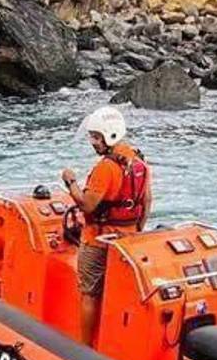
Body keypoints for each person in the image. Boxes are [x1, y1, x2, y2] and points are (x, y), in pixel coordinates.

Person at [60, 105, 151, 347]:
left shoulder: (106, 168)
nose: (92, 142)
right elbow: (146, 201)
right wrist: (137, 230)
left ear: (108, 136)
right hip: (127, 239)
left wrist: (71, 183)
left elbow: (88, 205)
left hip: (98, 240)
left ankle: (85, 346)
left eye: (95, 137)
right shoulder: (139, 162)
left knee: (89, 292)